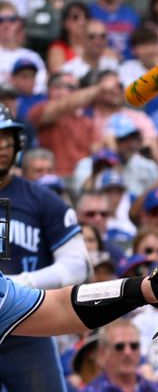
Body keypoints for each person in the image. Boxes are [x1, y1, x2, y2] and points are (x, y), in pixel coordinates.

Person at [0, 104, 90, 391]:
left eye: (8, 139)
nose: (2, 146)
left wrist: (22, 286)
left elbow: (78, 265)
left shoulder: (43, 199)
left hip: (30, 322)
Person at [82, 319, 158, 392]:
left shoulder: (156, 389)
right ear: (103, 353)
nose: (128, 352)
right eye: (119, 346)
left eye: (134, 346)